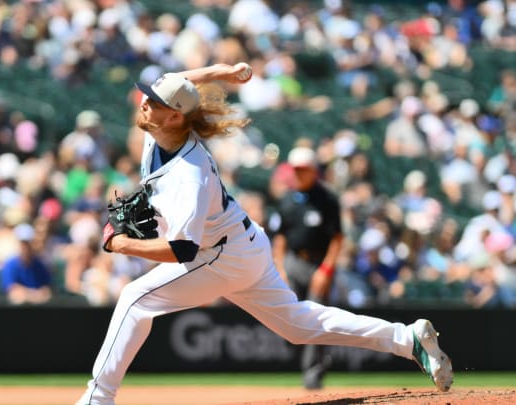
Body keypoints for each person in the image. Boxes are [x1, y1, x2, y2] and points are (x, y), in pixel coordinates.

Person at [75, 63, 453, 405]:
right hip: (243, 244)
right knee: (299, 325)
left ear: (174, 116)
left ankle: (98, 398)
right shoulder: (161, 128)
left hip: (217, 254)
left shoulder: (188, 174)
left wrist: (124, 244)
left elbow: (184, 249)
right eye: (148, 98)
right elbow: (181, 84)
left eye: (153, 102)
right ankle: (408, 339)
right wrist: (217, 71)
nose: (144, 103)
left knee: (135, 298)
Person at [271, 145, 344, 389]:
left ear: (314, 171)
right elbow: (280, 238)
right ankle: (299, 367)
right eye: (295, 170)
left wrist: (326, 270)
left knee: (316, 319)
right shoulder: (288, 200)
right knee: (288, 318)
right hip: (292, 262)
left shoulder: (327, 199)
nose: (298, 174)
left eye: (303, 169)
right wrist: (280, 268)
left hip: (317, 263)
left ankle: (313, 375)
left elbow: (337, 238)